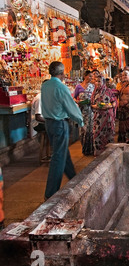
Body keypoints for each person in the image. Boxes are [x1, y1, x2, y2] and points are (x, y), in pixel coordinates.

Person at [41, 61, 84, 200]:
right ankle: (51, 193)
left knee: (63, 155)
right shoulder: (61, 88)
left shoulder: (45, 86)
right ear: (62, 73)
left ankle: (74, 181)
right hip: (59, 124)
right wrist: (80, 121)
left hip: (49, 123)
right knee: (58, 158)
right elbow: (71, 107)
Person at [91, 75, 117, 156]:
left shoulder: (108, 91)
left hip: (108, 117)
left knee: (108, 135)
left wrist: (109, 106)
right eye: (96, 81)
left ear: (103, 82)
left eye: (99, 81)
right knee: (97, 136)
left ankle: (109, 154)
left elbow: (114, 102)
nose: (97, 83)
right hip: (98, 118)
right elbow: (92, 104)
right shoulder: (94, 92)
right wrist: (96, 106)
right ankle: (99, 155)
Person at [73, 70, 95, 155]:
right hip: (81, 110)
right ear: (85, 76)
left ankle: (90, 148)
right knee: (82, 129)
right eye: (89, 76)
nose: (91, 78)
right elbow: (74, 97)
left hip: (90, 110)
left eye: (91, 76)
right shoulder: (78, 87)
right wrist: (78, 101)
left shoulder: (92, 86)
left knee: (90, 128)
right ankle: (84, 148)